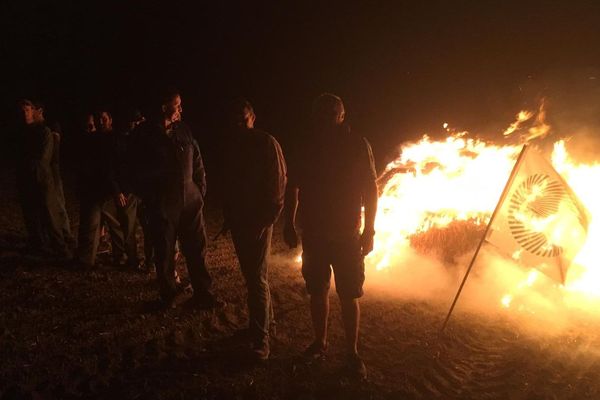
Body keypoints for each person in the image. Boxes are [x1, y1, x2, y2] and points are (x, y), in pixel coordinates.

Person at [283, 93, 378, 380]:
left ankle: (352, 353)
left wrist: (369, 229)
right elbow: (293, 187)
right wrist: (289, 223)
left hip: (347, 233)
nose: (327, 118)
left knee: (349, 294)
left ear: (341, 115)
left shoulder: (356, 145)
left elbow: (370, 189)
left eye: (332, 113)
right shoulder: (307, 146)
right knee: (317, 290)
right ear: (316, 116)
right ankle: (320, 343)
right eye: (322, 113)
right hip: (314, 232)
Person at [130, 88, 220, 309]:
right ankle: (169, 295)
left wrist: (200, 189)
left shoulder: (183, 129)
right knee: (165, 251)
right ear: (164, 107)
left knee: (197, 248)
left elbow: (196, 158)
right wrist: (151, 197)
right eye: (177, 104)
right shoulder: (144, 135)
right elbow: (133, 169)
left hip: (190, 199)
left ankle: (204, 294)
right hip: (163, 202)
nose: (181, 109)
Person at [220, 99, 287, 360]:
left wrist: (264, 221)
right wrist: (229, 215)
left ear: (253, 118)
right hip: (240, 221)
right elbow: (229, 182)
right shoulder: (233, 144)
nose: (239, 124)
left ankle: (261, 341)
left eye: (243, 119)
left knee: (257, 279)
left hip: (257, 223)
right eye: (235, 120)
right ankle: (262, 324)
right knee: (252, 276)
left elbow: (278, 185)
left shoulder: (266, 143)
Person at [75, 110, 135, 269]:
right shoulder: (93, 139)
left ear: (110, 119)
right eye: (99, 119)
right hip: (96, 189)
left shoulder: (117, 139)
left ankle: (119, 257)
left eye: (104, 118)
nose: (101, 121)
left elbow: (117, 166)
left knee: (115, 226)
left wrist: (119, 188)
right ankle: (86, 260)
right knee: (92, 225)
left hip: (110, 190)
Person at [15, 99, 72, 259]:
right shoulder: (23, 132)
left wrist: (30, 167)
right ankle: (39, 245)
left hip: (43, 180)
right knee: (31, 215)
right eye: (22, 111)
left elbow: (44, 159)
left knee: (51, 214)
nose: (24, 114)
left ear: (34, 111)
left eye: (27, 110)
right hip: (27, 180)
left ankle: (61, 249)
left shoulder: (44, 132)